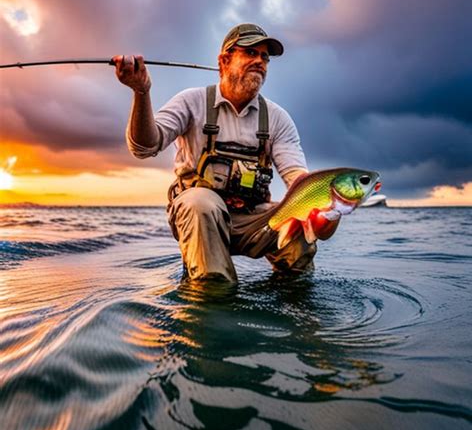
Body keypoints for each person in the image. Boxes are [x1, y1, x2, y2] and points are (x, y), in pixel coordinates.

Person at [114, 23, 339, 282]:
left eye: (265, 57)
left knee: (296, 226)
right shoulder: (191, 101)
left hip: (255, 219)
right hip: (199, 217)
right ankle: (213, 296)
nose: (260, 62)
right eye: (251, 53)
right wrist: (141, 91)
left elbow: (298, 180)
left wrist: (326, 208)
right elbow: (143, 147)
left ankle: (295, 303)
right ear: (224, 60)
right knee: (201, 205)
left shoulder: (278, 118)